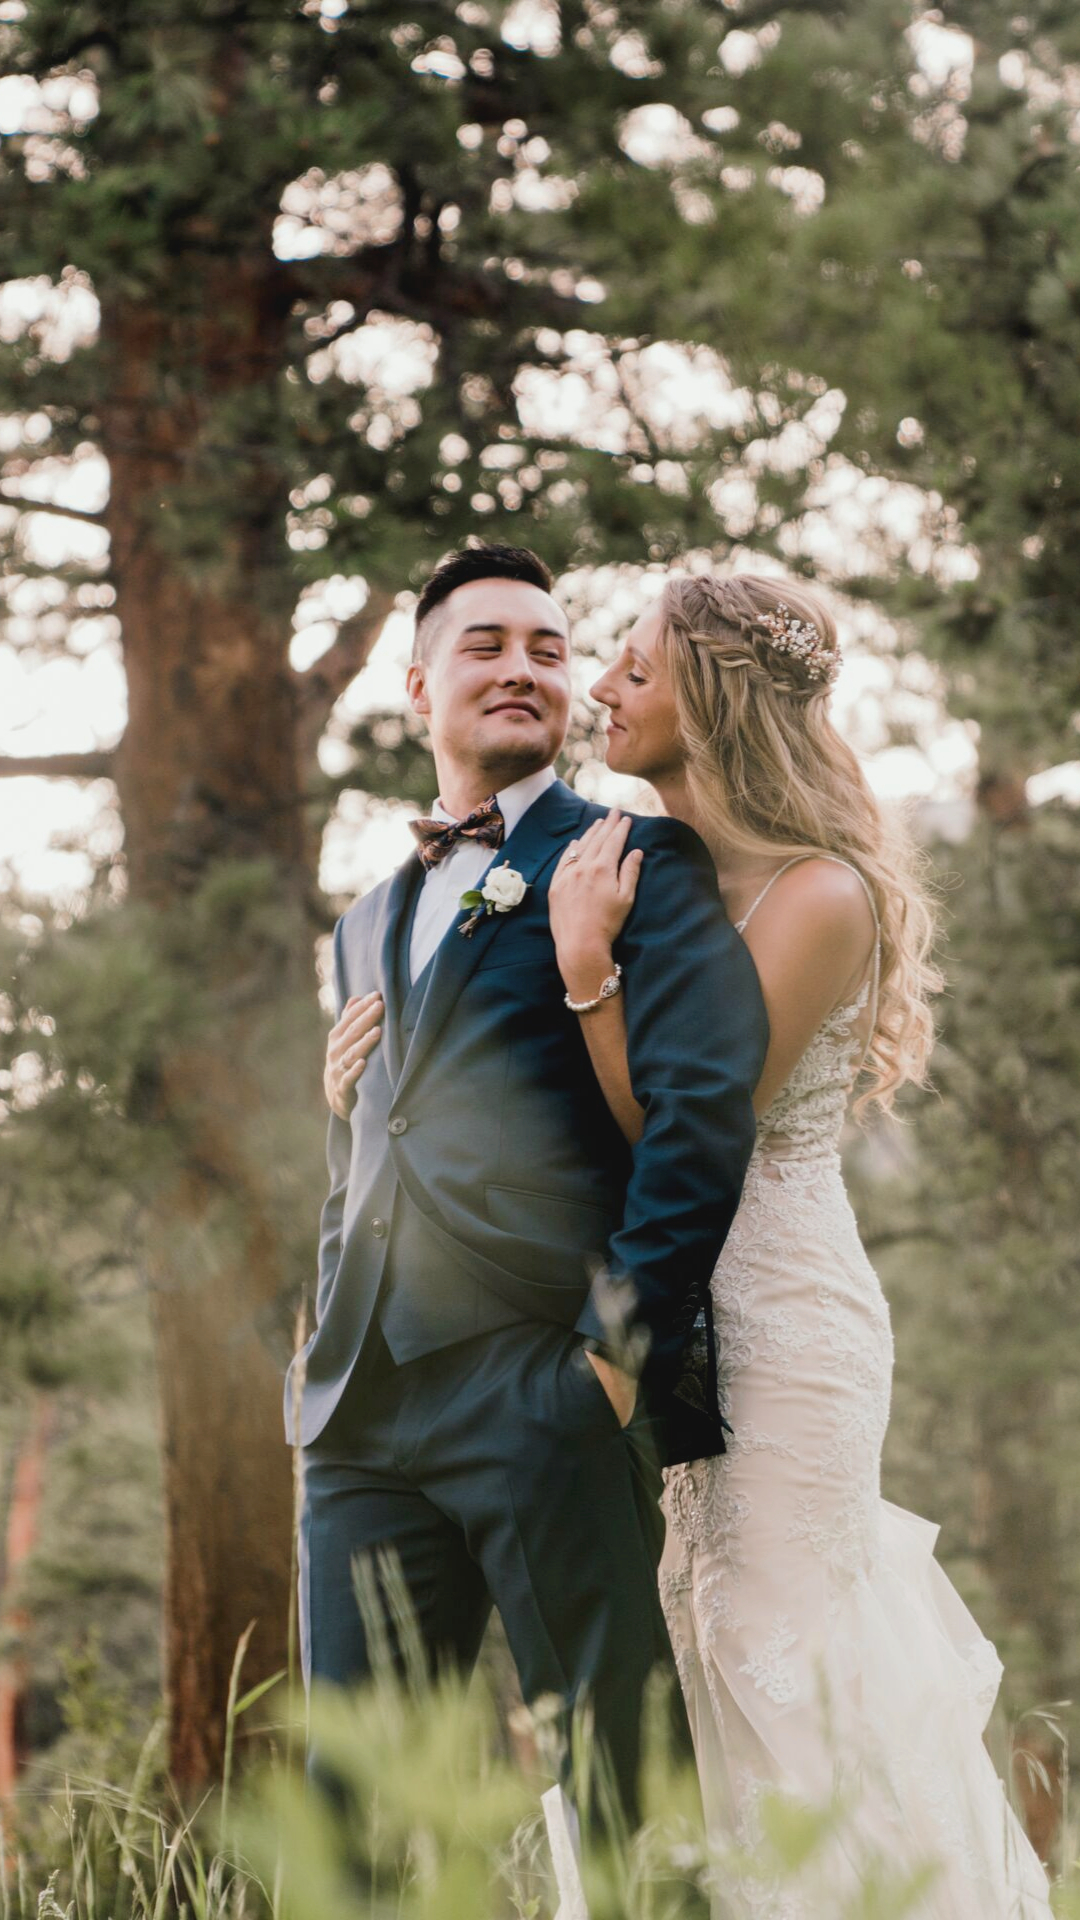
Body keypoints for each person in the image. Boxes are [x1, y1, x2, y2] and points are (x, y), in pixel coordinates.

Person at [328, 567, 1054, 1915]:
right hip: (661, 1315)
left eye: (634, 667)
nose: (599, 688)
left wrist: (588, 974)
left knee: (780, 1653)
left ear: (708, 701)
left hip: (778, 1320)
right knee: (679, 1660)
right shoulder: (646, 866)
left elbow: (691, 1125)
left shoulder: (817, 895)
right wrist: (363, 1090)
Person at [291, 543, 768, 1839]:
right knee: (351, 1811)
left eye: (549, 650)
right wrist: (320, 1334)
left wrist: (613, 1360)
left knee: (621, 1791)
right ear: (418, 686)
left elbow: (701, 1117)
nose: (523, 668)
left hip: (541, 1383)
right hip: (358, 1418)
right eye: (487, 645)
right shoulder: (362, 922)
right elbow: (370, 1141)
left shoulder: (638, 858)